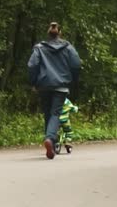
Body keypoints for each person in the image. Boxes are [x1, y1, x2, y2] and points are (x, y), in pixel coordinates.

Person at [27, 22, 81, 159]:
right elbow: (76, 64)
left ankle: (51, 141)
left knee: (47, 112)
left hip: (44, 85)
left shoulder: (39, 48)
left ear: (48, 33)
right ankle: (50, 139)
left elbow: (32, 65)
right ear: (60, 33)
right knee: (55, 113)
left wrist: (33, 82)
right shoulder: (68, 47)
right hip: (61, 85)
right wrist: (73, 80)